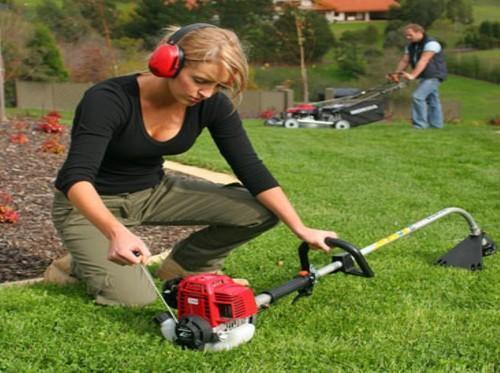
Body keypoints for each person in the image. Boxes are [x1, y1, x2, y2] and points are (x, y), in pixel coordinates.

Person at [49, 23, 338, 306]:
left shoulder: (211, 105)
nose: (207, 93)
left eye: (218, 85)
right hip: (88, 206)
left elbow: (250, 168)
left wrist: (301, 228)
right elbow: (75, 178)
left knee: (262, 210)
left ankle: (188, 264)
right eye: (200, 80)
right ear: (168, 64)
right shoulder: (108, 99)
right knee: (136, 299)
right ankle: (75, 265)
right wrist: (116, 232)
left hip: (153, 192)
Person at [388, 23, 447, 129]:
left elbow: (423, 60)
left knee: (417, 96)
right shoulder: (411, 46)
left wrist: (412, 75)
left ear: (419, 32)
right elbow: (405, 61)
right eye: (406, 35)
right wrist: (395, 74)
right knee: (433, 100)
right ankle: (436, 125)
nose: (407, 37)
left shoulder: (431, 44)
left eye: (410, 35)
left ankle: (419, 125)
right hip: (424, 76)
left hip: (434, 75)